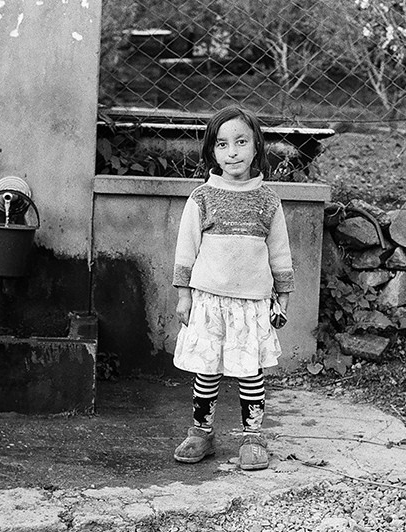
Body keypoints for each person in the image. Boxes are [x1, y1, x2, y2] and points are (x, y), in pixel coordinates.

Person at [171, 105, 294, 471]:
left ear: (256, 146)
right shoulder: (202, 197)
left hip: (251, 303)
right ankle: (201, 433)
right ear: (213, 151)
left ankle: (252, 437)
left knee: (250, 371)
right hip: (209, 301)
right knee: (207, 369)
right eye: (222, 144)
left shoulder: (268, 200)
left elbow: (280, 252)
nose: (233, 152)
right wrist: (184, 295)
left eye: (241, 142)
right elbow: (186, 248)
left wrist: (283, 296)